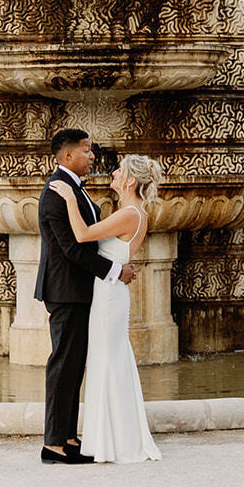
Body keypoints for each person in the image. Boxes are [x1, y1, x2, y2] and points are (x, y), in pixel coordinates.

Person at [49, 151, 163, 464]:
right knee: (108, 360)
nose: (112, 173)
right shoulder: (132, 211)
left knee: (107, 362)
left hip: (109, 295)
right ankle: (108, 438)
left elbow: (83, 235)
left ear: (128, 180)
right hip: (110, 291)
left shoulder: (129, 213)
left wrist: (71, 199)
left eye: (117, 170)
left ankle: (111, 441)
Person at [35, 129, 136, 466]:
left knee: (74, 365)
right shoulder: (55, 193)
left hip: (80, 291)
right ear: (67, 157)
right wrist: (115, 271)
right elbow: (73, 248)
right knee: (63, 365)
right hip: (66, 291)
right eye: (86, 150)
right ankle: (53, 445)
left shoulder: (74, 191)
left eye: (91, 150)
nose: (92, 156)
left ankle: (68, 436)